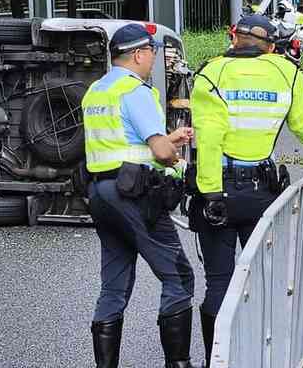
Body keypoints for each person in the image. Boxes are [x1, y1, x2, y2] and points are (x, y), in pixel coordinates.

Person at [188, 14, 303, 367]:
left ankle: (218, 360)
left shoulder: (211, 73)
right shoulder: (287, 73)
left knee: (219, 282)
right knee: (264, 278)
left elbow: (209, 137)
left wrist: (210, 193)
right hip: (262, 192)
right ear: (272, 46)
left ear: (233, 38)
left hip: (219, 194)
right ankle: (264, 355)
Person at [82, 23, 198, 368]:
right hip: (135, 194)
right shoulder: (136, 91)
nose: (153, 60)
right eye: (151, 53)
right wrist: (177, 160)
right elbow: (160, 153)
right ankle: (178, 364)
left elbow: (122, 144)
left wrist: (168, 139)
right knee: (179, 276)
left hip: (101, 193)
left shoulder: (97, 91)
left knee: (114, 285)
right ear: (138, 54)